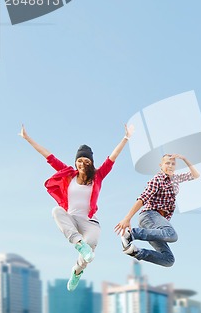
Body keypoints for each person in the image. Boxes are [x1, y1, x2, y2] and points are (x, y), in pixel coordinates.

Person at [20, 124, 133, 291]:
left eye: (86, 161)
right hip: (71, 219)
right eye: (79, 160)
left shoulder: (98, 176)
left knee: (91, 250)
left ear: (91, 163)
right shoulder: (68, 173)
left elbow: (113, 158)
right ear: (76, 162)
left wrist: (126, 138)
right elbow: (48, 156)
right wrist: (28, 138)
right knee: (56, 211)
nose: (82, 164)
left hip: (89, 222)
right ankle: (78, 243)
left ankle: (77, 271)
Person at [114, 154, 199, 267]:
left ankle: (136, 252)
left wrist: (185, 159)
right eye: (167, 163)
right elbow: (142, 198)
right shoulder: (157, 179)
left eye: (173, 164)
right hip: (149, 215)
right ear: (161, 165)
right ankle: (132, 234)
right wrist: (127, 218)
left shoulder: (176, 178)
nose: (170, 166)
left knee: (168, 260)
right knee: (171, 234)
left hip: (156, 226)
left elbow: (195, 175)